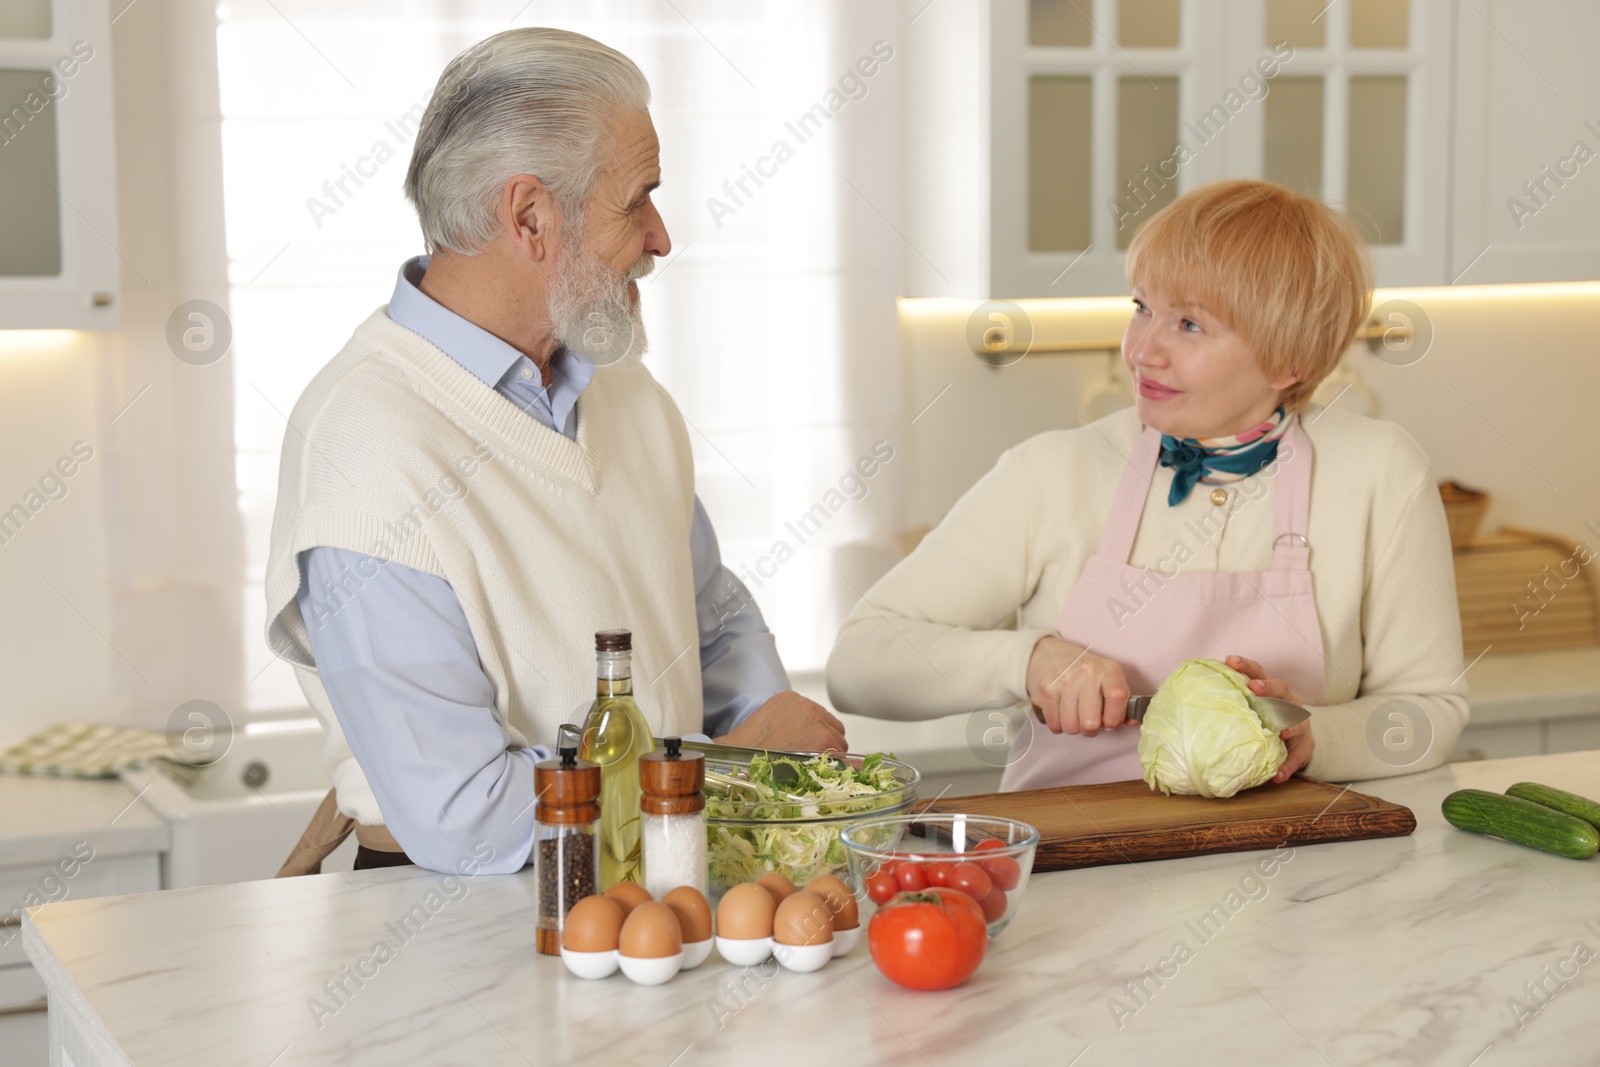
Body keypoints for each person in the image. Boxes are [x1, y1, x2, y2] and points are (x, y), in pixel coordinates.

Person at [264, 28, 844, 876]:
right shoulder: (364, 450)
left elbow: (709, 621)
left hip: (658, 883)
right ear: (530, 216)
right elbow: (466, 815)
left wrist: (772, 721)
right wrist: (735, 773)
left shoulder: (627, 393)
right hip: (459, 925)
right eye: (636, 199)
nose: (662, 236)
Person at [826, 179, 1467, 791]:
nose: (1140, 351)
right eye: (1142, 308)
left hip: (1291, 871)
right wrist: (1030, 661)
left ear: (1288, 359)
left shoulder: (1380, 472)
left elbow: (1428, 711)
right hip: (1082, 870)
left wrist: (1314, 738)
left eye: (1189, 325)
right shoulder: (1051, 474)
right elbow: (860, 663)